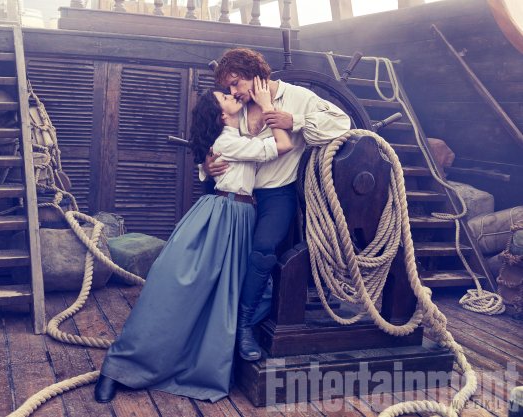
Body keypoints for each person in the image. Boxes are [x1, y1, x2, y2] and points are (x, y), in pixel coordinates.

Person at [94, 78, 294, 403]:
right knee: (176, 287)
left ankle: (191, 354)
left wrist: (207, 164)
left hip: (241, 219)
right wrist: (269, 107)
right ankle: (118, 367)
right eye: (225, 96)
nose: (232, 94)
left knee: (234, 295)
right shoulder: (228, 140)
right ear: (221, 115)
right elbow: (282, 145)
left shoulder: (237, 136)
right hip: (220, 216)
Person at [202, 48, 351, 362]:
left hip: (276, 193)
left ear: (256, 74)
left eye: (236, 83)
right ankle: (210, 323)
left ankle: (243, 327)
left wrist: (295, 120)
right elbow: (210, 136)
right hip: (233, 195)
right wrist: (206, 165)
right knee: (219, 257)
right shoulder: (236, 106)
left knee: (262, 251)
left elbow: (342, 123)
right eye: (228, 87)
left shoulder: (298, 97)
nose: (233, 91)